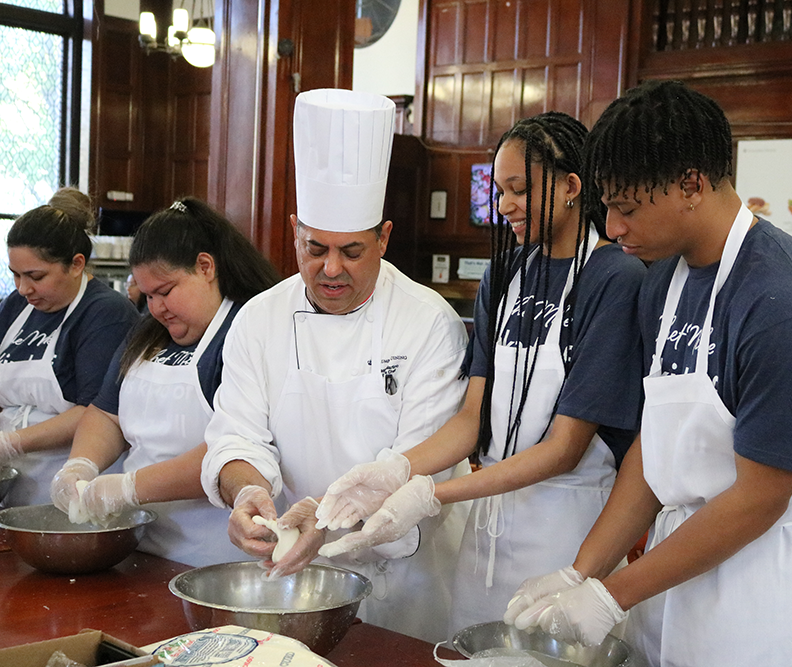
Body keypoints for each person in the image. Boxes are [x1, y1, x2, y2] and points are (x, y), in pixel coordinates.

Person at [507, 81, 792, 667]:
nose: (613, 229)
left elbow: (760, 497)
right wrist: (583, 569)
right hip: (677, 567)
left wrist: (609, 594)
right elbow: (659, 447)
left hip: (767, 581)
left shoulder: (790, 302)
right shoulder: (661, 283)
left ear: (691, 184)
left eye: (625, 208)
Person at [313, 111, 647, 634]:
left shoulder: (615, 277)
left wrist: (430, 494)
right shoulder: (506, 273)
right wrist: (397, 471)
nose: (504, 205)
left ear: (571, 187)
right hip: (486, 537)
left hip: (568, 532)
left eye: (518, 189)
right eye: (499, 190)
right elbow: (474, 416)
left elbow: (565, 449)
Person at [199, 89, 471, 643]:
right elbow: (236, 437)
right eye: (314, 247)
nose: (330, 269)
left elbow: (419, 463)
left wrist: (317, 523)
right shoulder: (260, 319)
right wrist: (246, 491)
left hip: (411, 581)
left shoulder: (429, 323)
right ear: (295, 230)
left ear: (384, 238)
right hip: (297, 578)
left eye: (352, 251)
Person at [49, 198, 280, 566]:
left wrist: (128, 488)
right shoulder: (149, 333)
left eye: (166, 291)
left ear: (205, 267)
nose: (157, 308)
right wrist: (80, 465)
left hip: (218, 555)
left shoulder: (248, 330)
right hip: (144, 546)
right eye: (148, 295)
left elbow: (233, 448)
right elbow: (107, 414)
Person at [0, 188, 140, 506]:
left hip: (73, 483)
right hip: (13, 483)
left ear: (76, 264)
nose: (23, 288)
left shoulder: (106, 313)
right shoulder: (15, 307)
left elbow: (97, 413)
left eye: (36, 276)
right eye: (16, 276)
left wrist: (12, 443)